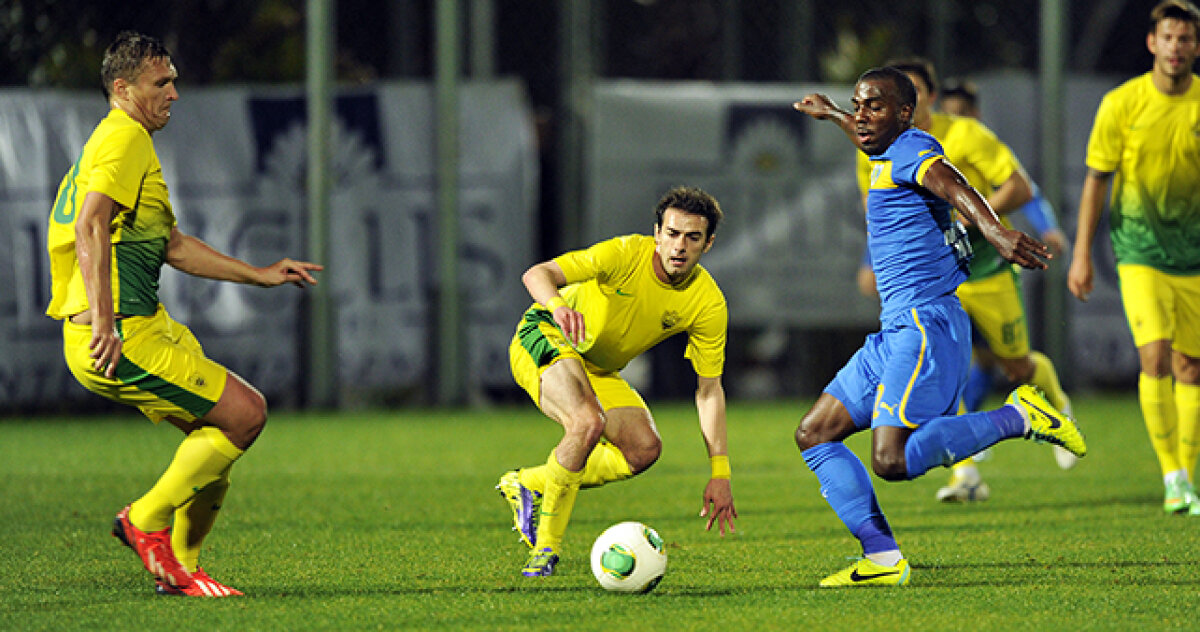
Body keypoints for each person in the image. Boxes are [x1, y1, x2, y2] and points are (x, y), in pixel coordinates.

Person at [45, 31, 323, 597]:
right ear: (122, 89)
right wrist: (104, 321)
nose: (174, 93)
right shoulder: (122, 138)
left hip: (143, 324)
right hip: (118, 333)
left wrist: (260, 272)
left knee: (217, 434)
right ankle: (145, 523)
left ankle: (178, 569)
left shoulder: (124, 140)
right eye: (161, 83)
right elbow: (90, 226)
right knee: (245, 414)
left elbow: (171, 246)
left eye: (173, 80)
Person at [792, 67, 1086, 587]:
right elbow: (868, 140)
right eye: (857, 104)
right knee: (815, 434)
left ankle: (1019, 416)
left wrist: (995, 233)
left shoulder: (912, 148)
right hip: (895, 329)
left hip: (924, 325)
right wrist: (834, 114)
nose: (861, 115)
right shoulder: (885, 152)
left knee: (891, 458)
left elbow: (952, 182)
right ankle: (883, 558)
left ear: (905, 113)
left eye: (874, 106)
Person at [855, 59, 1079, 504]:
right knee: (942, 377)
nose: (895, 108)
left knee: (1016, 367)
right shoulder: (874, 152)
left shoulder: (963, 136)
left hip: (989, 272)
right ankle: (966, 475)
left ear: (924, 100)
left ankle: (1055, 403)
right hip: (938, 283)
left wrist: (978, 222)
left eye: (908, 97)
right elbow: (883, 214)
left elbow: (1019, 187)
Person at [496, 185, 737, 577]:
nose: (679, 246)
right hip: (545, 335)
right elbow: (537, 274)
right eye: (672, 234)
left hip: (598, 368)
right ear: (656, 233)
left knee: (643, 450)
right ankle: (545, 549)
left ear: (708, 244)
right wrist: (557, 306)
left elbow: (709, 391)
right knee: (587, 422)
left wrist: (720, 473)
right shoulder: (624, 253)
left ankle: (529, 483)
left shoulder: (708, 303)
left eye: (692, 237)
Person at [1069, 0, 1200, 516]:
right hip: (1138, 250)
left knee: (1190, 366)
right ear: (1152, 43)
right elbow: (1096, 180)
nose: (1175, 47)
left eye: (1185, 39)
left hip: (1193, 256)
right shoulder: (1121, 104)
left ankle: (1187, 478)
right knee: (1155, 354)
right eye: (1167, 38)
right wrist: (1081, 254)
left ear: (1195, 46)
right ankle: (1171, 473)